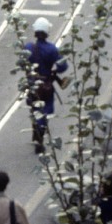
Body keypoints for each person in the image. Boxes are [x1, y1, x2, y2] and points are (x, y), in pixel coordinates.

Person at [25, 17, 67, 155]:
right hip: (47, 85)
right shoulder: (52, 49)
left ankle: (36, 135)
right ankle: (39, 139)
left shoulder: (29, 47)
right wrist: (53, 70)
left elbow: (23, 63)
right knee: (45, 111)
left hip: (33, 84)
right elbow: (63, 66)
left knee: (34, 109)